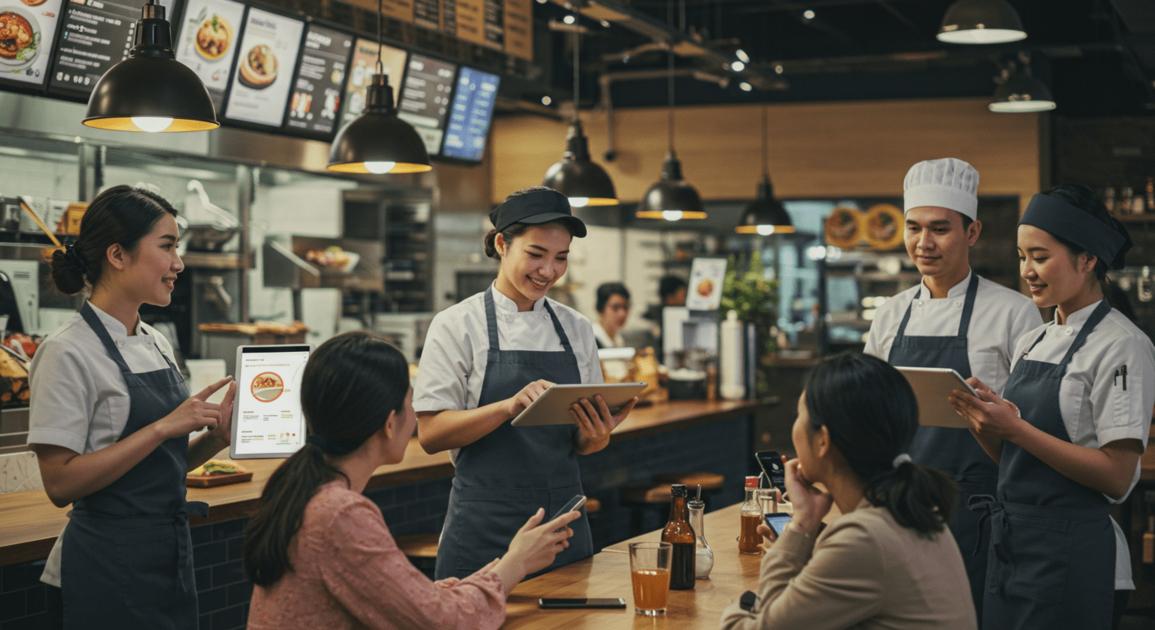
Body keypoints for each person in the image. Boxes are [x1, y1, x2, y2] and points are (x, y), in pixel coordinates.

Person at [245, 332, 580, 629]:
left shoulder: (309, 492)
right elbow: (443, 623)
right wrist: (516, 562)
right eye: (411, 403)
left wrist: (505, 563)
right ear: (391, 423)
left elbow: (411, 603)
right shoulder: (340, 515)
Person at [27, 185, 237, 629]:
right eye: (167, 246)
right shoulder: (66, 351)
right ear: (117, 255)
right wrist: (164, 427)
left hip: (167, 557)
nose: (179, 263)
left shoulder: (155, 341)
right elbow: (61, 482)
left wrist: (212, 441)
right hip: (105, 563)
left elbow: (160, 466)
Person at [950, 185, 1155, 630]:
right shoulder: (1034, 339)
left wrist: (1017, 430)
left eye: (1041, 257)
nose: (1028, 271)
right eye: (1023, 257)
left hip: (1070, 551)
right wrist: (982, 422)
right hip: (1013, 546)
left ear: (1087, 260)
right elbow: (1016, 462)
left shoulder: (1122, 346)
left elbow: (1117, 478)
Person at [414, 187, 638, 580]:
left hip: (563, 525)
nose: (548, 271)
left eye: (560, 258)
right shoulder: (456, 326)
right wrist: (508, 406)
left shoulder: (576, 328)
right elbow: (431, 434)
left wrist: (599, 433)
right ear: (502, 244)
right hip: (485, 530)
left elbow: (585, 446)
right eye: (535, 254)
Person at [864, 157, 1041, 616]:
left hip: (976, 510)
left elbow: (1029, 420)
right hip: (900, 505)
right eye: (914, 227)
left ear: (973, 233)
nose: (924, 243)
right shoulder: (889, 315)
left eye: (939, 228)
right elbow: (866, 407)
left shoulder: (1013, 312)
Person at [721, 353, 976, 630]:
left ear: (823, 440)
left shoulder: (864, 540)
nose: (795, 428)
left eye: (800, 415)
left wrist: (741, 606)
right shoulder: (914, 510)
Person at [593, 282, 631, 349]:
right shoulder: (590, 340)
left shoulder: (619, 339)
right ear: (600, 308)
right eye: (615, 307)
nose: (622, 314)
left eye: (625, 307)